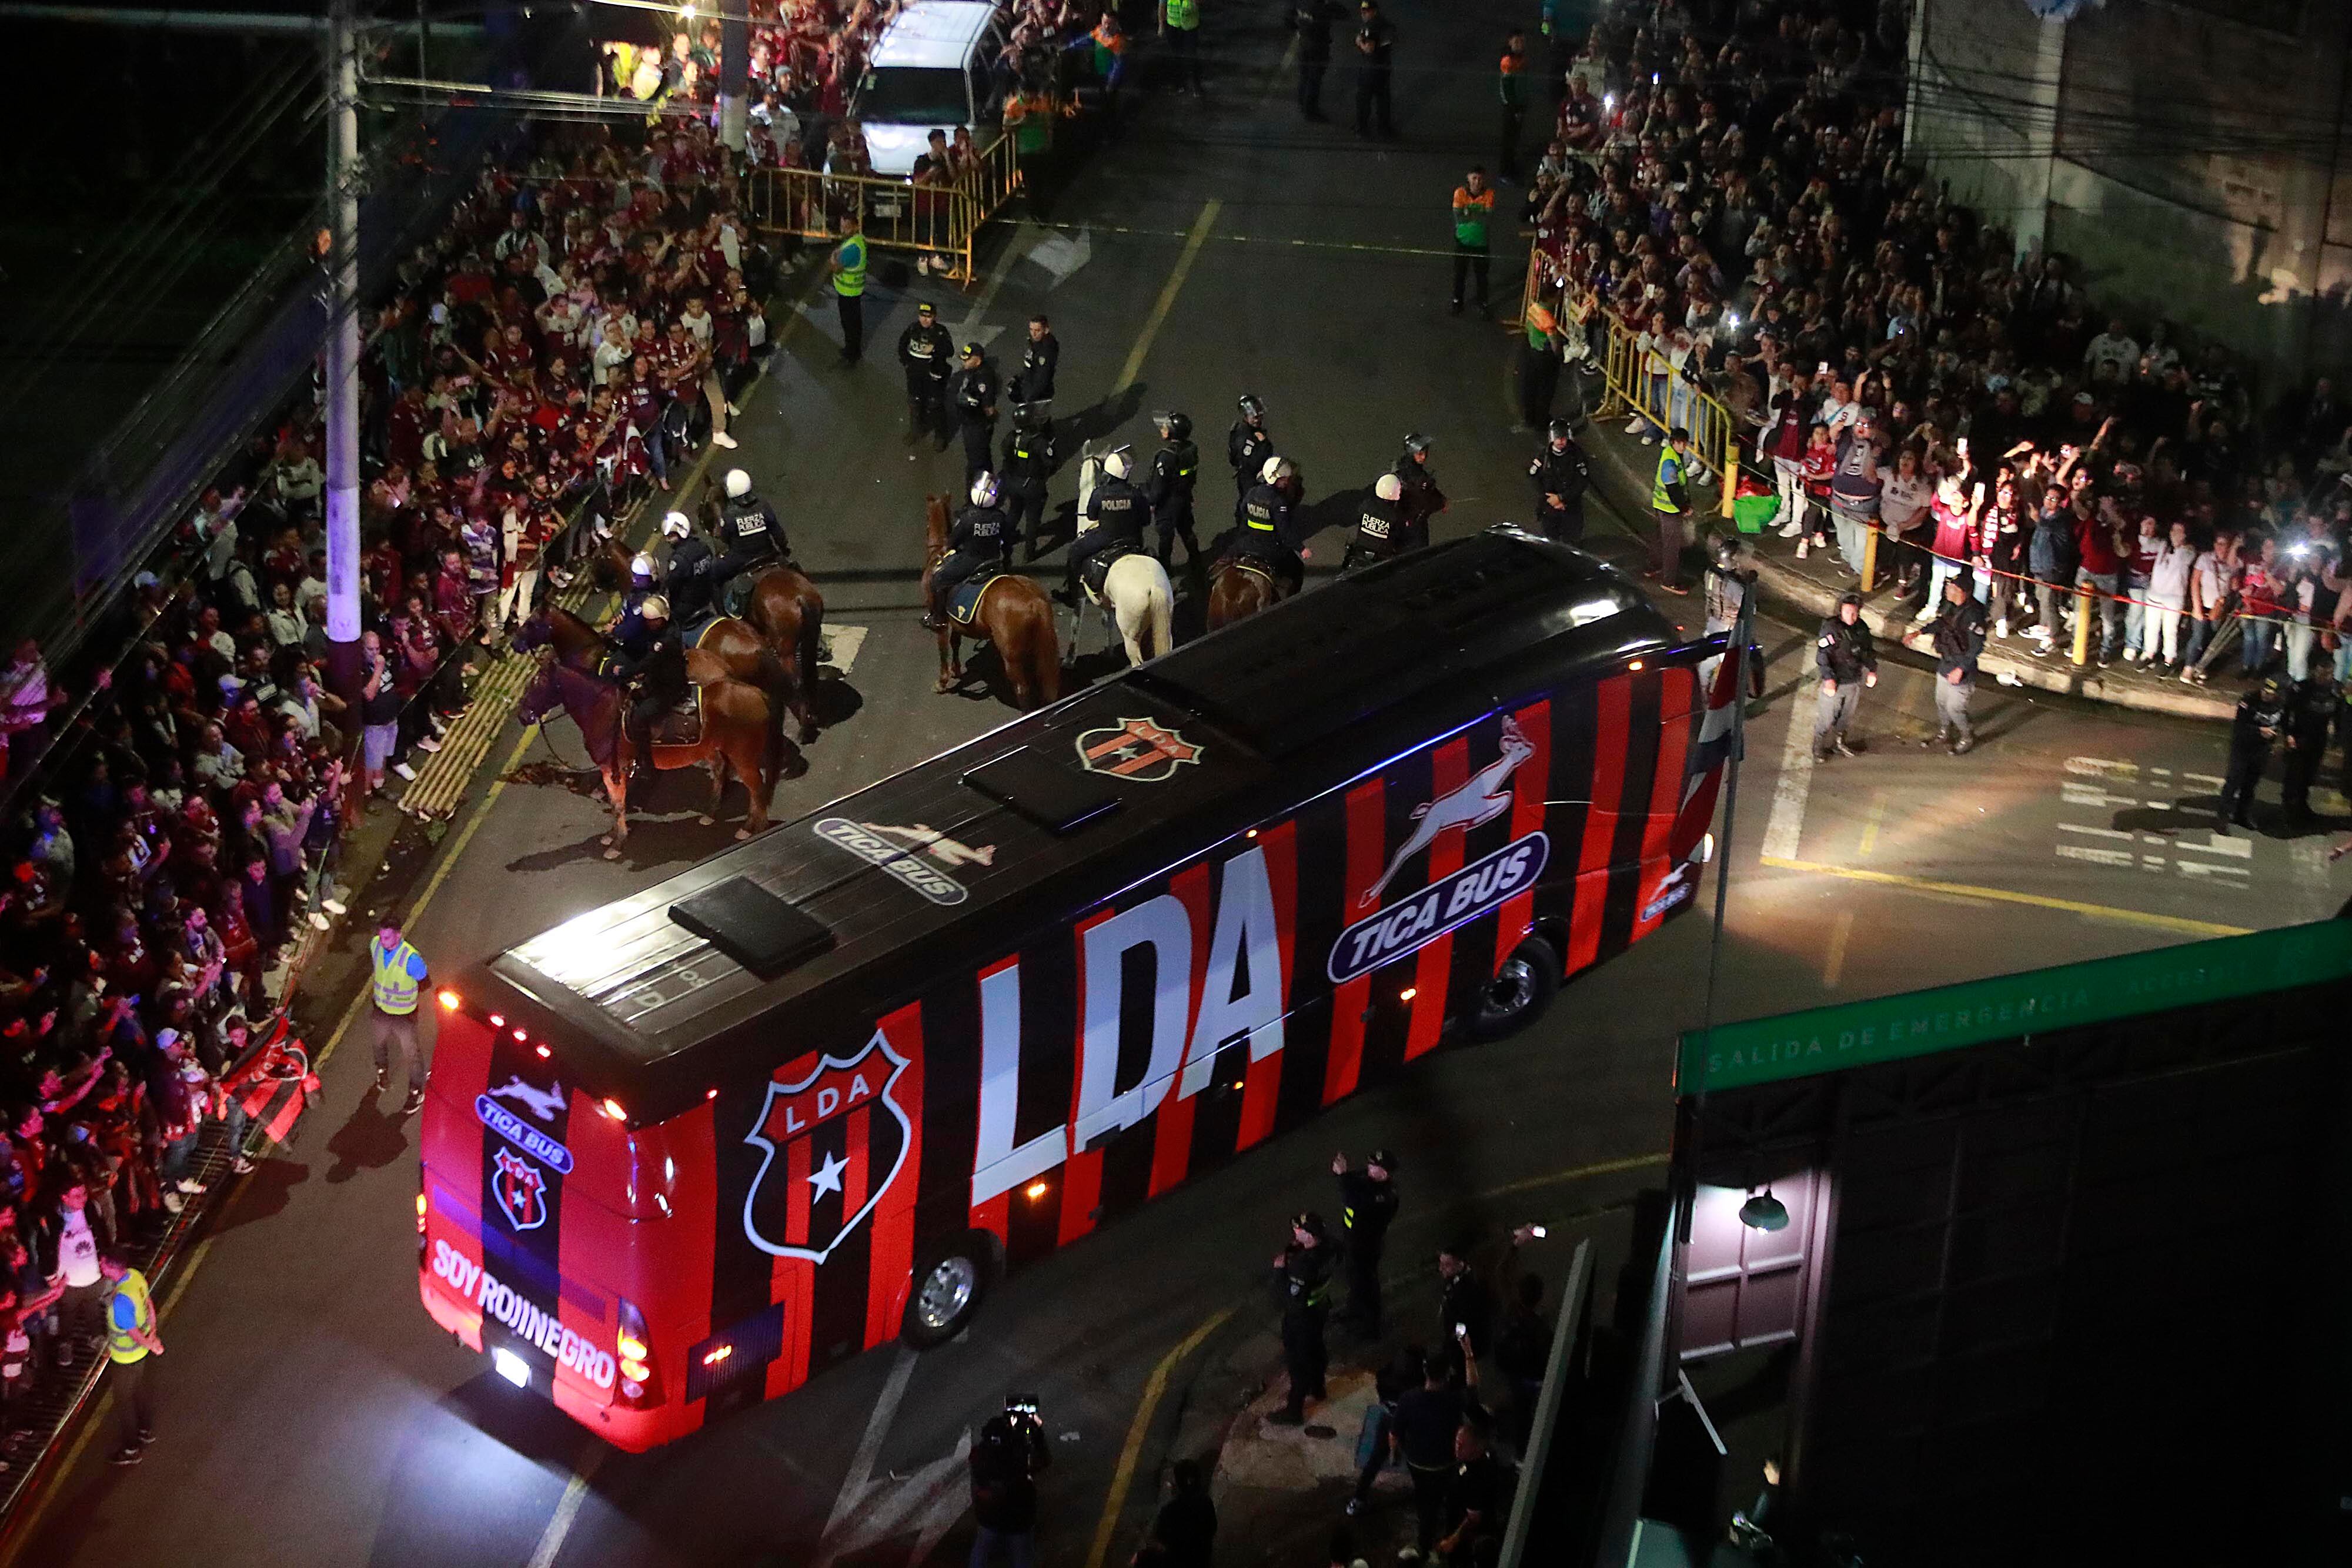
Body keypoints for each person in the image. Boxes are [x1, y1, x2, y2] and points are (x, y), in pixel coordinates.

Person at [1385, 1348, 1468, 1550]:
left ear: (1425, 1371)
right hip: (1445, 1464)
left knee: (1425, 1504)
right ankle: (1448, 1542)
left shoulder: (1408, 1399)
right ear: (1448, 1374)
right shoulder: (1454, 1401)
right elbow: (1473, 1390)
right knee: (1448, 1500)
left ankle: (1424, 1544)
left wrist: (1393, 1455)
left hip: (1417, 1463)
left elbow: (1394, 1434)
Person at [1269, 1210, 1333, 1425]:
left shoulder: (1303, 1265)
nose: (1295, 1231)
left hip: (1302, 1318)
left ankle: (1294, 1410)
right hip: (1320, 1309)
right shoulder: (1331, 1247)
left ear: (1310, 1236)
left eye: (1299, 1230)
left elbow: (1291, 1297)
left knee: (1299, 1362)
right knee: (1317, 1350)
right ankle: (1318, 1387)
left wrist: (1280, 1271)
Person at [969, 1398, 1049, 1567]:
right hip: (1018, 1518)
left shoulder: (982, 1452)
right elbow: (1043, 1460)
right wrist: (1037, 1432)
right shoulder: (1019, 1455)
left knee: (982, 1552)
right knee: (1021, 1557)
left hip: (989, 1516)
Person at [928, 473, 1014, 629]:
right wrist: (1007, 559)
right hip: (994, 561)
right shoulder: (1000, 517)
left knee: (938, 579)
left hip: (970, 562)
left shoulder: (968, 519)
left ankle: (939, 619)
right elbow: (1008, 541)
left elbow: (953, 542)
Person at [1065, 447, 1151, 604]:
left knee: (1075, 551)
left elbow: (1091, 516)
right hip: (1133, 541)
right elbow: (1146, 520)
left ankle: (1072, 595)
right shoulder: (1136, 494)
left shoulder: (1099, 494)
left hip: (1105, 539)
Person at [102, 1252, 162, 1467]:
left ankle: (131, 1448)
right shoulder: (136, 1277)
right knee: (139, 1390)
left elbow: (133, 1333)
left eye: (103, 1263)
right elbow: (149, 1305)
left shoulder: (121, 1301)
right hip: (140, 1354)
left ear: (111, 1268)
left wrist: (152, 1344)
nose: (101, 1266)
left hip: (125, 1357)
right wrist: (153, 1332)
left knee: (124, 1401)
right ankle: (145, 1430)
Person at [370, 914, 431, 1114]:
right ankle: (382, 1072)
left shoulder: (411, 959)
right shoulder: (375, 945)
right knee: (378, 1044)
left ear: (399, 935)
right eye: (381, 936)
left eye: (388, 937)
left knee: (411, 1054)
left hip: (404, 1016)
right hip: (380, 1010)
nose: (383, 941)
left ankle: (416, 1091)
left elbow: (425, 983)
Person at [1332, 1148, 1398, 1333]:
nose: (1369, 1167)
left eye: (1374, 1166)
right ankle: (1354, 1309)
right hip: (1353, 1239)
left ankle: (1372, 1324)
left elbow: (1352, 1200)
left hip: (1366, 1245)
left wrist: (1342, 1176)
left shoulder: (1384, 1197)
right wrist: (1344, 1174)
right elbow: (1355, 1180)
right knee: (1354, 1278)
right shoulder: (1369, 1179)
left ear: (1384, 1172)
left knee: (1366, 1283)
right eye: (1369, 1164)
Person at [612, 594, 687, 749]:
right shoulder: (666, 627)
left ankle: (646, 762)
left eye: (651, 621)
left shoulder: (664, 642)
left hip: (668, 689)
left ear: (661, 619)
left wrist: (625, 671)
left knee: (639, 718)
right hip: (657, 678)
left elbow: (647, 662)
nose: (648, 623)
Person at [1926, 569, 1988, 754]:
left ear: (1964, 592)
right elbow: (1940, 623)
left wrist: (1961, 669)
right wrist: (1920, 632)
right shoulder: (1950, 606)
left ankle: (1967, 736)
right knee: (1941, 702)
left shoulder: (1974, 615)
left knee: (1955, 709)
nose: (1948, 590)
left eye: (1952, 588)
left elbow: (1976, 647)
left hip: (1962, 671)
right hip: (1946, 663)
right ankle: (1945, 732)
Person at [1815, 591, 1878, 761]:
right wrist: (1828, 678)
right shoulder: (1831, 628)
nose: (1852, 616)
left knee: (1846, 716)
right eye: (1848, 612)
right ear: (1840, 611)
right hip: (1836, 681)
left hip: (1853, 680)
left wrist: (1872, 670)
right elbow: (1822, 656)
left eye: (1855, 612)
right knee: (1827, 718)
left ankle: (1839, 743)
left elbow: (1868, 652)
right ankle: (1818, 746)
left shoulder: (1861, 628)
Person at [711, 467, 786, 612]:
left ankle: (723, 615)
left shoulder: (729, 515)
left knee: (713, 574)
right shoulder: (763, 505)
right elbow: (777, 531)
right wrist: (784, 548)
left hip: (741, 559)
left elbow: (726, 539)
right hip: (768, 553)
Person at [1435, 1414, 1506, 1564]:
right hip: (1454, 1521)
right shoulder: (1464, 1462)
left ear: (1478, 1448)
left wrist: (1453, 1540)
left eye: (1463, 1445)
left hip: (1469, 1538)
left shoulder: (1481, 1476)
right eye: (1457, 1442)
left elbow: (1474, 1519)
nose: (1457, 1448)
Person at [1230, 457, 1307, 596]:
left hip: (1245, 543)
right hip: (1269, 548)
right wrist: (1302, 549)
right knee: (1297, 568)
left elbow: (1242, 510)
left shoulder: (1252, 492)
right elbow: (1284, 533)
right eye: (1285, 479)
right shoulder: (1279, 502)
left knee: (1221, 564)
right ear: (1278, 480)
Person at [2219, 677, 2287, 833]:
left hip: (2262, 750)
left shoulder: (2281, 705)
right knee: (2233, 782)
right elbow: (2240, 726)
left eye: (2270, 693)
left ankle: (2242, 815)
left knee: (2250, 785)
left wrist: (2287, 737)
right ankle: (2223, 817)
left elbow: (2285, 722)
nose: (2266, 695)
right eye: (2265, 691)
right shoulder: (2249, 701)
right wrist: (2259, 731)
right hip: (2243, 748)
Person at [1147, 412, 1202, 567]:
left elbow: (1159, 485)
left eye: (1166, 427)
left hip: (1168, 504)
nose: (1163, 429)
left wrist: (1152, 502)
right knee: (1187, 531)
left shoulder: (1166, 457)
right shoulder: (1190, 450)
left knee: (1166, 537)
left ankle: (1165, 567)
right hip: (1184, 498)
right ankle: (1197, 561)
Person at [2283, 676, 2339, 825]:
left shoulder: (2335, 689)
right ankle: (2289, 810)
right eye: (2323, 671)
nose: (2325, 677)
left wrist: (2337, 736)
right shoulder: (2303, 688)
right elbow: (2288, 710)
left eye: (2329, 671)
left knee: (2309, 774)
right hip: (2300, 736)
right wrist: (2288, 733)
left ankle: (2302, 805)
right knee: (2295, 774)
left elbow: (2338, 713)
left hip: (2319, 739)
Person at [897, 300, 954, 447]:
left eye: (929, 317)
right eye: (923, 316)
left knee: (935, 405)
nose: (925, 319)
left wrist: (934, 349)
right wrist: (906, 363)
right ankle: (916, 431)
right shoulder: (913, 329)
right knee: (915, 403)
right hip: (915, 374)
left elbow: (950, 351)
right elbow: (902, 345)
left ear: (934, 317)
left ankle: (940, 436)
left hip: (933, 374)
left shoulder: (940, 332)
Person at [1001, 408, 1055, 560]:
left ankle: (1006, 539)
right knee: (1032, 520)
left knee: (1014, 512)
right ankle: (1029, 553)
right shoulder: (1039, 442)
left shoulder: (1013, 437)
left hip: (1014, 482)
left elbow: (1004, 451)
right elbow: (1050, 462)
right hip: (1032, 486)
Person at [1649, 427, 1695, 595]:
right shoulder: (1670, 462)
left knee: (1660, 539)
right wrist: (1684, 508)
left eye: (1684, 443)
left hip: (1661, 505)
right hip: (1669, 509)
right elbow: (1673, 489)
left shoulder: (1671, 454)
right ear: (1673, 442)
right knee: (1671, 546)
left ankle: (1653, 567)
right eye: (1679, 443)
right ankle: (1669, 581)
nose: (1683, 446)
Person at [1529, 419, 1589, 543]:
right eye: (1557, 438)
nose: (1561, 441)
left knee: (1573, 542)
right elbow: (1535, 478)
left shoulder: (1577, 456)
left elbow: (1582, 482)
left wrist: (1562, 498)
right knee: (1550, 543)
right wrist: (1550, 500)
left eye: (1563, 438)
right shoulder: (1544, 457)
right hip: (1550, 507)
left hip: (1571, 507)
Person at [1149, 1457, 1216, 1567]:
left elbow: (1160, 1537)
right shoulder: (1206, 1502)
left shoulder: (1170, 1510)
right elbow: (1212, 1527)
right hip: (1201, 1559)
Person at [952, 341, 1002, 483]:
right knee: (982, 459)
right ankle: (988, 485)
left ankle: (973, 496)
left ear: (978, 361)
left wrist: (971, 403)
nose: (964, 362)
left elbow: (989, 408)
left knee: (976, 464)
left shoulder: (984, 377)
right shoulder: (970, 372)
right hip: (969, 423)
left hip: (977, 426)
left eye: (968, 359)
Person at [1449, 168, 1495, 316]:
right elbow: (1459, 217)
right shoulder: (1460, 193)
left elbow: (1487, 219)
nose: (1477, 182)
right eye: (1474, 178)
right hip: (1462, 241)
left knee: (1482, 276)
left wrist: (1468, 212)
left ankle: (1482, 303)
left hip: (1481, 243)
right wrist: (1477, 214)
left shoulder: (1489, 194)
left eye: (1480, 179)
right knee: (1460, 274)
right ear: (1468, 178)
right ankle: (1457, 301)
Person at [1342, 473, 1408, 571]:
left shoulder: (1367, 504)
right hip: (1382, 562)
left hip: (1357, 556)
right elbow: (1401, 536)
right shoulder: (1395, 515)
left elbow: (1356, 518)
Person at [664, 509, 718, 625]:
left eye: (671, 536)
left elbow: (671, 585)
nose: (667, 540)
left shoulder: (679, 559)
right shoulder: (703, 546)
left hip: (687, 606)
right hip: (708, 597)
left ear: (681, 533)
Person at [828, 209, 867, 365]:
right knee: (854, 323)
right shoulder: (858, 240)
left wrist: (832, 258)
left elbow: (835, 267)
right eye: (842, 226)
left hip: (848, 292)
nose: (843, 230)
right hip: (853, 290)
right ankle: (852, 350)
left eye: (847, 227)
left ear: (856, 227)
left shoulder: (852, 248)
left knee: (850, 325)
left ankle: (852, 354)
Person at [1351, 1, 1395, 139]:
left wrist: (1359, 42)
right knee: (1383, 100)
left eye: (1366, 10)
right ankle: (1384, 129)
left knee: (1364, 99)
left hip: (1370, 68)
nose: (1363, 13)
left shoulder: (1371, 26)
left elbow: (1369, 48)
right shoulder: (1386, 24)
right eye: (1363, 10)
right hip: (1384, 66)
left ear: (1374, 11)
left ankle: (1362, 129)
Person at [1293, 0, 1344, 120]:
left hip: (1303, 44)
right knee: (1314, 80)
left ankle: (1302, 104)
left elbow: (1290, 18)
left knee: (1304, 76)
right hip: (1318, 47)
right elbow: (1343, 13)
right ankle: (1310, 111)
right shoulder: (1323, 7)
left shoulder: (1302, 4)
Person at [1013, 315, 1060, 437]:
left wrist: (1029, 397)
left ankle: (1046, 446)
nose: (1034, 334)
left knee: (1038, 424)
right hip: (1030, 387)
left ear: (1046, 330)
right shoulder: (1035, 343)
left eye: (1037, 330)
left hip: (1038, 394)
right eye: (1031, 329)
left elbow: (1042, 378)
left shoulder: (1046, 350)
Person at [1394, 433, 1445, 543]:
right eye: (1420, 453)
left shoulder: (1405, 468)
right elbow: (1425, 499)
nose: (1424, 457)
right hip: (1412, 527)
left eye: (1425, 453)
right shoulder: (1413, 475)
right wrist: (1442, 502)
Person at [1228, 394, 1273, 514]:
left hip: (1251, 474)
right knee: (1251, 503)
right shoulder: (1245, 437)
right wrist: (1264, 444)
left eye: (1259, 416)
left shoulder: (1251, 430)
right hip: (1250, 477)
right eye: (1254, 417)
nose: (1258, 420)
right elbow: (1253, 462)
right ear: (1246, 417)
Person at [1496, 30, 1527, 183]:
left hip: (1519, 104)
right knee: (1509, 139)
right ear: (1510, 43)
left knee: (1514, 138)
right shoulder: (1508, 61)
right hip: (1512, 106)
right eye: (1516, 42)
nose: (1520, 45)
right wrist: (1515, 109)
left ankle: (1511, 166)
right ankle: (1505, 172)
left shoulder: (1519, 59)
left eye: (1522, 42)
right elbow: (1508, 89)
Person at [1160, 0, 1205, 96]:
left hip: (1190, 27)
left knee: (1191, 56)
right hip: (1173, 26)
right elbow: (1162, 5)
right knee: (1176, 56)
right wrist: (1161, 25)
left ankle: (1196, 86)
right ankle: (1179, 84)